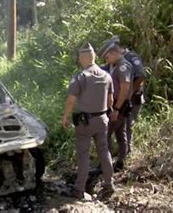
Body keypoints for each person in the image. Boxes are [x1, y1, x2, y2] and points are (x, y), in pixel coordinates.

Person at [62, 43, 115, 199]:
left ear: (82, 58)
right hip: (102, 119)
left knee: (83, 155)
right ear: (94, 57)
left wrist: (65, 116)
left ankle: (79, 190)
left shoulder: (80, 77)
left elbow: (71, 99)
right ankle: (109, 184)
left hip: (85, 123)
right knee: (104, 152)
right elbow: (111, 100)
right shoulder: (106, 76)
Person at [99, 39, 134, 171]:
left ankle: (106, 165)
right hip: (116, 105)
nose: (106, 60)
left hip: (119, 105)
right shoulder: (113, 65)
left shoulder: (123, 66)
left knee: (106, 135)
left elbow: (124, 88)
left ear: (113, 53)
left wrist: (117, 109)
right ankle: (120, 161)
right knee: (120, 133)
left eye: (107, 57)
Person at [109, 36, 147, 155]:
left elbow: (141, 75)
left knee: (128, 126)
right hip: (122, 98)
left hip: (133, 98)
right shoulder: (116, 60)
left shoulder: (131, 57)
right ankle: (123, 152)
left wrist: (130, 93)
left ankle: (127, 154)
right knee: (122, 128)